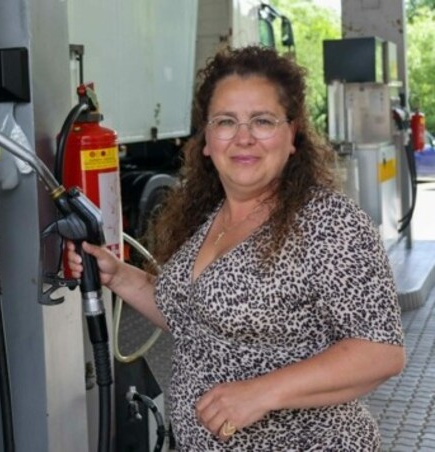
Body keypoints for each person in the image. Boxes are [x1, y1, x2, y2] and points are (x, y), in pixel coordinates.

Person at [67, 46, 405, 450]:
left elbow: (381, 351)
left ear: (292, 134)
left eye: (262, 121)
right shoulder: (210, 216)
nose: (243, 137)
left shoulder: (328, 222)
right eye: (226, 121)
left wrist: (261, 393)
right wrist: (117, 275)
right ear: (207, 139)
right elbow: (192, 317)